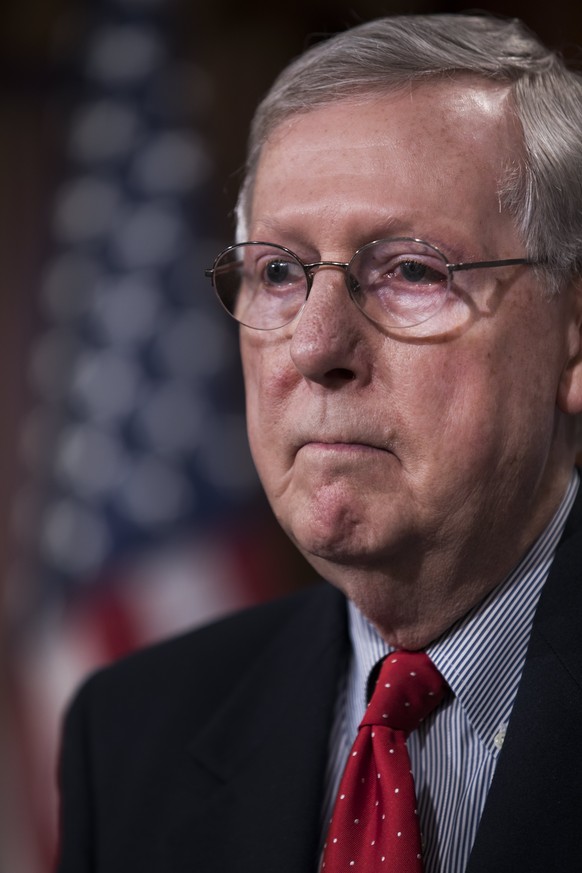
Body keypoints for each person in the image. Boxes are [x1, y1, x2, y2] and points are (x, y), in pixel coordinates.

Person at [56, 13, 582, 873]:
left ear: (572, 334)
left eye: (412, 269)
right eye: (278, 273)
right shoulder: (127, 735)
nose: (314, 345)